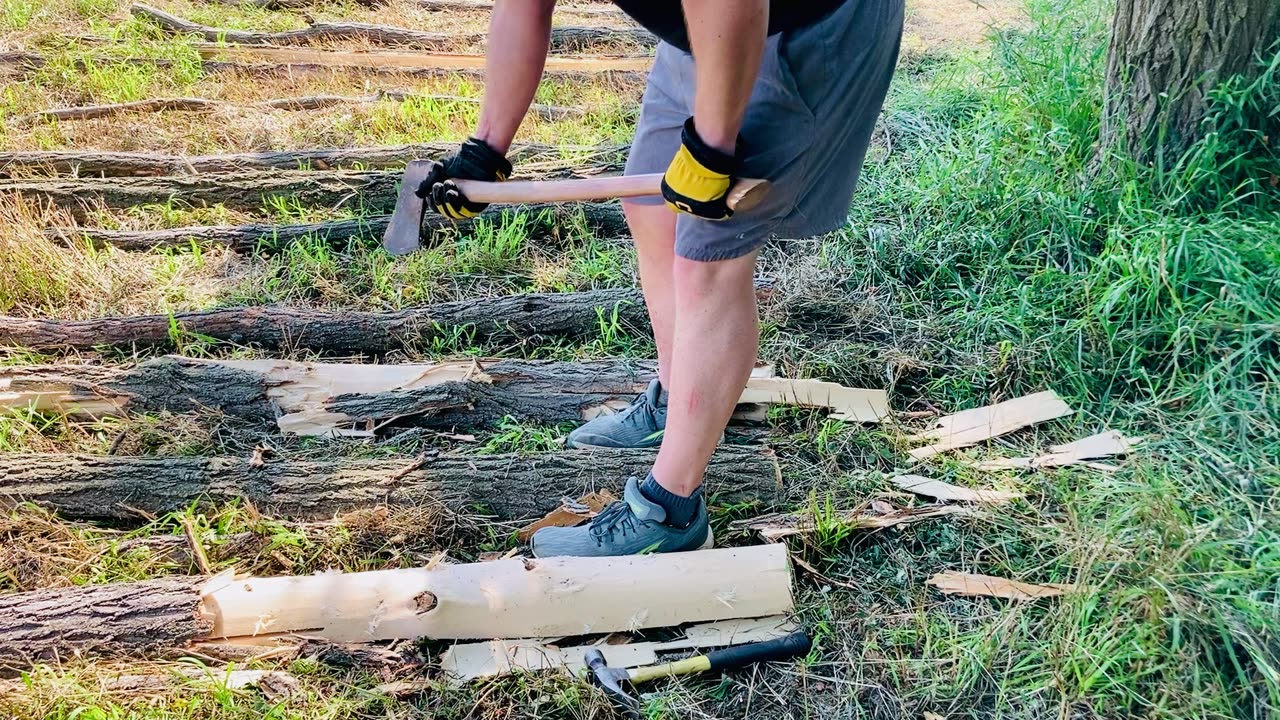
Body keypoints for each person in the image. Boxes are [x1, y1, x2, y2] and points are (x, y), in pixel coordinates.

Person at [420, 0, 904, 557]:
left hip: (800, 21)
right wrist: (486, 150)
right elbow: (522, 6)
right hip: (705, 32)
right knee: (649, 209)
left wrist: (711, 148)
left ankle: (672, 512)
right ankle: (679, 400)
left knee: (709, 260)